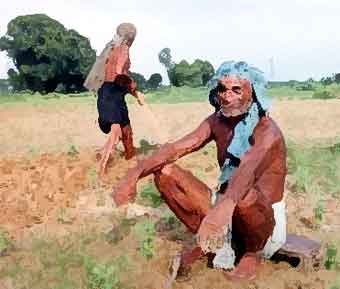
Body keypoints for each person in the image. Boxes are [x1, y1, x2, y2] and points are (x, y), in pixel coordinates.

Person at [113, 61, 287, 280]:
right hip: (225, 207)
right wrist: (133, 175)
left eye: (236, 90)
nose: (226, 96)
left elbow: (245, 174)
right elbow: (176, 148)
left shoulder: (267, 131)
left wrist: (215, 220)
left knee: (245, 195)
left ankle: (252, 253)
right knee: (166, 173)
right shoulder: (218, 121)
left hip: (262, 222)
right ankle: (215, 242)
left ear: (253, 93)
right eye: (222, 89)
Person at [84, 23, 145, 177]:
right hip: (113, 94)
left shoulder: (110, 48)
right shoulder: (124, 49)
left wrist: (135, 93)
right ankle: (102, 168)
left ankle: (130, 157)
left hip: (107, 92)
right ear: (130, 38)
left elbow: (112, 75)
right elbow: (119, 74)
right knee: (116, 132)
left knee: (126, 130)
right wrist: (135, 89)